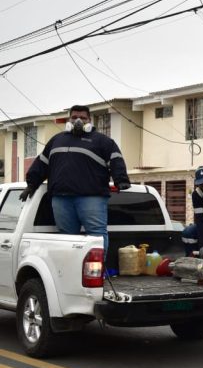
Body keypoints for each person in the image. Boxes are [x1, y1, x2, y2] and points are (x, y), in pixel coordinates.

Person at [22, 104, 131, 255]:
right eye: (74, 117)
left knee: (96, 236)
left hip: (91, 198)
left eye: (83, 118)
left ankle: (98, 268)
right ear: (69, 119)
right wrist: (31, 184)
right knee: (67, 239)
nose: (78, 120)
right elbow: (42, 163)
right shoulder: (56, 140)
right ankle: (72, 268)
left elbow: (116, 160)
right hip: (61, 199)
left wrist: (121, 179)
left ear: (89, 120)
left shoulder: (102, 141)